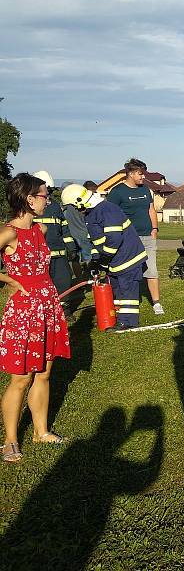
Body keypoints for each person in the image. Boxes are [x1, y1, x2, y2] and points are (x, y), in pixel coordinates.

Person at [1, 173, 71, 463]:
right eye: (44, 195)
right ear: (29, 199)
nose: (48, 200)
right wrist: (7, 280)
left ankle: (40, 431)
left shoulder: (39, 230)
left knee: (44, 372)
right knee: (21, 378)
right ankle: (9, 442)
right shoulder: (9, 232)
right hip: (24, 311)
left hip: (48, 306)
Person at [61, 183, 147, 331]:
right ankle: (119, 319)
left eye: (74, 207)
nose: (75, 210)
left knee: (127, 290)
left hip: (127, 259)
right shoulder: (91, 214)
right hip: (116, 260)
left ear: (79, 201)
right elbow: (95, 240)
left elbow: (114, 238)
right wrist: (95, 259)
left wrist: (104, 258)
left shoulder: (106, 209)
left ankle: (129, 322)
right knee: (118, 289)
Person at [106, 158, 163, 315]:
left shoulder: (145, 190)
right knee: (129, 272)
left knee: (152, 270)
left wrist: (154, 229)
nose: (143, 177)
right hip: (129, 239)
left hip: (148, 236)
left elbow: (151, 210)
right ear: (130, 174)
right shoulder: (117, 192)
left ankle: (156, 303)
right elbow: (110, 215)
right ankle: (128, 300)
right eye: (140, 174)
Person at [31, 171, 78, 318]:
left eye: (49, 191)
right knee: (43, 286)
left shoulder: (55, 207)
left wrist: (71, 247)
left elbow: (64, 227)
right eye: (46, 192)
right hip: (40, 256)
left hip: (59, 255)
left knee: (63, 282)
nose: (48, 195)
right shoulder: (31, 209)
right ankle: (45, 312)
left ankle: (64, 312)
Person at [61, 180, 95, 278]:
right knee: (88, 258)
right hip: (84, 235)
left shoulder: (65, 208)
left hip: (72, 237)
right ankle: (92, 280)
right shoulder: (80, 205)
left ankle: (80, 279)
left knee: (75, 259)